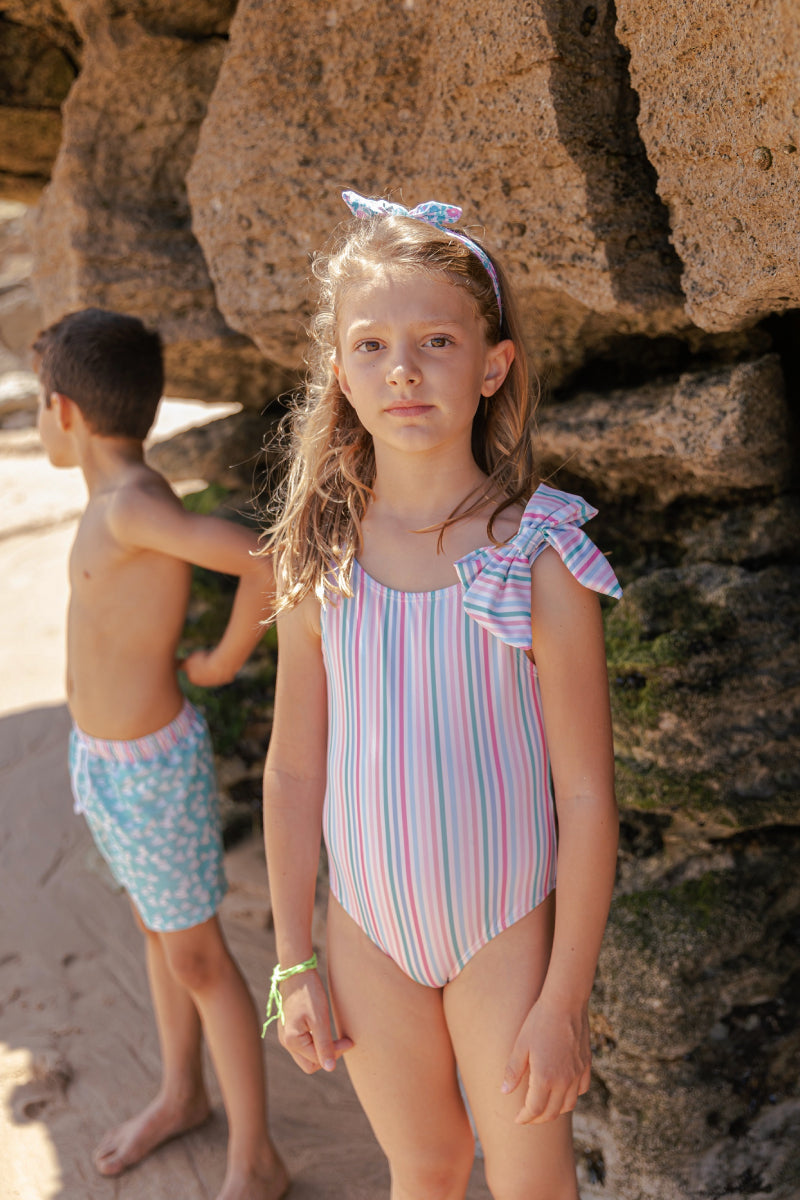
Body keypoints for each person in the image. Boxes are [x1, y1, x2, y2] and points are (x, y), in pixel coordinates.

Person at [260, 189, 622, 1200]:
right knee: (419, 1166)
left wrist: (562, 1000)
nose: (402, 369)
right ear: (337, 370)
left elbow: (587, 797)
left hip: (502, 928)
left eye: (433, 341)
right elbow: (292, 773)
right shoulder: (319, 556)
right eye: (369, 346)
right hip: (365, 929)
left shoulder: (535, 555)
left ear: (492, 363)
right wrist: (295, 961)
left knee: (525, 1170)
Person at [34, 307, 288, 1200]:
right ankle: (182, 1093)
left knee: (201, 962)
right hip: (109, 764)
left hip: (146, 772)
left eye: (37, 406)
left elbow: (262, 557)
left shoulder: (133, 508)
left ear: (63, 413)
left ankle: (257, 1158)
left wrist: (221, 661)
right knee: (160, 930)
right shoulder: (122, 500)